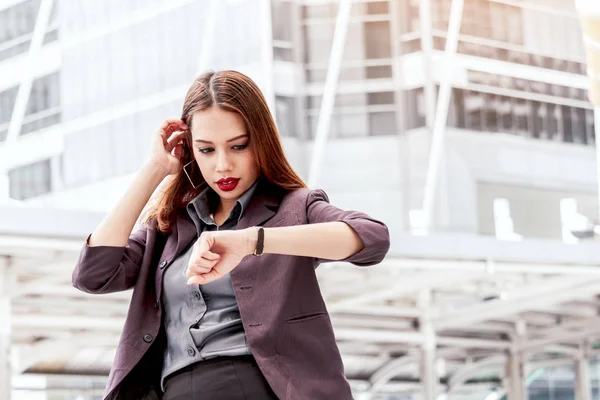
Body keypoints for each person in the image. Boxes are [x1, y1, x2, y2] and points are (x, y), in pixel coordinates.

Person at [72, 70, 390, 400]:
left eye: (238, 146)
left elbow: (372, 238)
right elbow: (92, 275)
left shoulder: (293, 208)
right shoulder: (168, 228)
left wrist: (252, 241)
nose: (223, 166)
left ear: (261, 141)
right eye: (207, 150)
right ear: (189, 150)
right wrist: (155, 169)